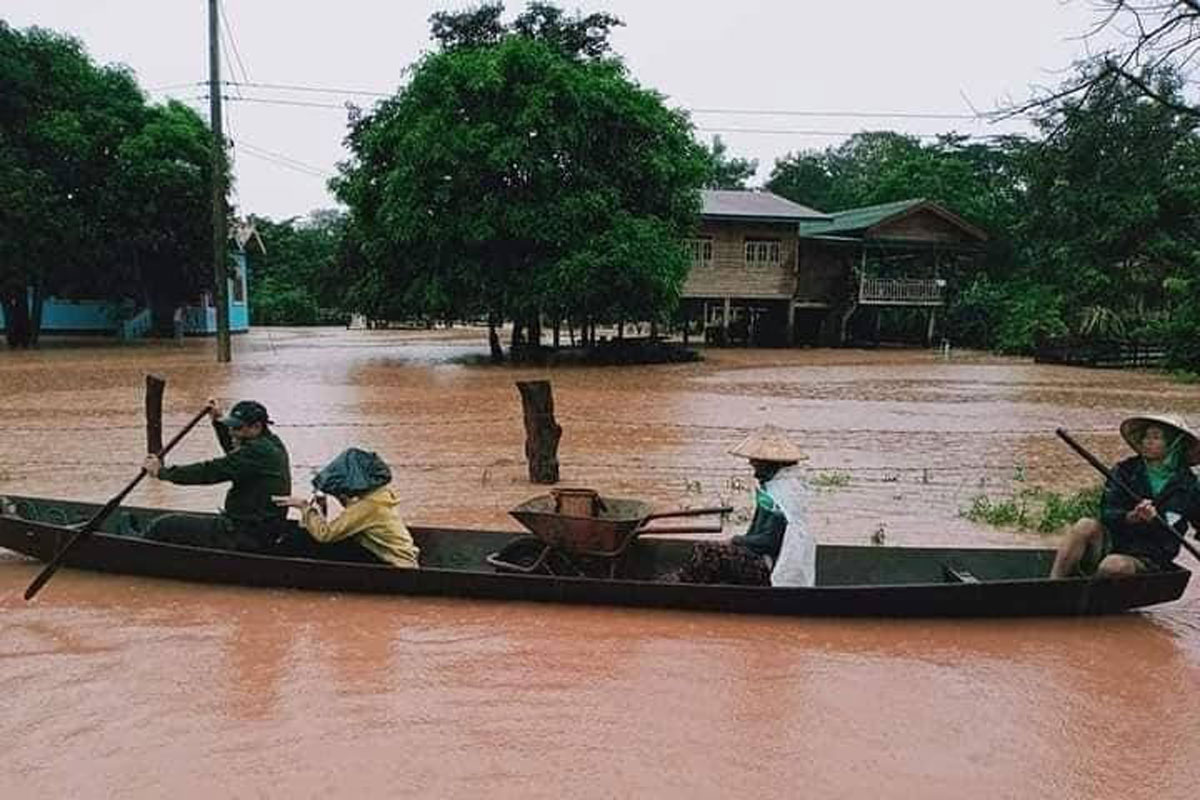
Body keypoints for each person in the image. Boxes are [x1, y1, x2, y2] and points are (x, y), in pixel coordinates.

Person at [1050, 414, 1200, 579]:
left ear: (1173, 444)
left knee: (1113, 566)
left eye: (1156, 437)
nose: (1147, 442)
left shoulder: (1189, 485)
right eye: (1146, 437)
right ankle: (1053, 583)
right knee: (1084, 525)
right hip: (1116, 542)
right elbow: (1108, 512)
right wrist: (1131, 517)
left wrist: (1155, 519)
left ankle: (1092, 592)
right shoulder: (1125, 471)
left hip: (1151, 555)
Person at [142, 399, 294, 552]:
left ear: (256, 427)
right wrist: (218, 421)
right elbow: (236, 456)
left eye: (237, 427)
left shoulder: (257, 451)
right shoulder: (272, 443)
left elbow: (209, 471)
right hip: (260, 531)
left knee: (164, 525)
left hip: (244, 534)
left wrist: (162, 472)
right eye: (230, 426)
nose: (231, 431)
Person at [677, 425, 815, 587]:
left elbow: (769, 541)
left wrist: (735, 541)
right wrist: (740, 544)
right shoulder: (776, 487)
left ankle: (686, 589)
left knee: (707, 552)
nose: (750, 462)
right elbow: (756, 531)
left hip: (770, 564)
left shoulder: (780, 494)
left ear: (770, 463)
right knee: (707, 550)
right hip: (763, 556)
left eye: (755, 460)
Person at [273, 447, 419, 568]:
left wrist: (303, 506)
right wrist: (324, 503)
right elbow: (350, 513)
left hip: (396, 565)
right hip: (404, 558)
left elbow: (325, 535)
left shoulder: (367, 508)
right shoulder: (381, 495)